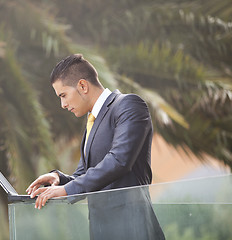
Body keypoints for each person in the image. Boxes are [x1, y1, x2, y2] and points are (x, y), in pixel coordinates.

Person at [26, 54, 165, 239]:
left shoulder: (128, 105)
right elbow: (84, 175)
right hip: (103, 231)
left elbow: (119, 161)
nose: (63, 104)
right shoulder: (92, 122)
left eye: (63, 95)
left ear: (83, 86)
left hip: (133, 229)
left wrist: (67, 190)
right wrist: (58, 178)